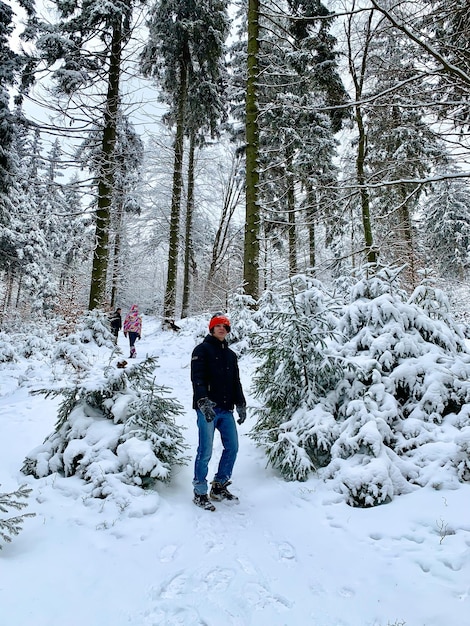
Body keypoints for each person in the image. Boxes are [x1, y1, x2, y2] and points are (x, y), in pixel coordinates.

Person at [190, 313, 247, 511]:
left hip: (226, 409)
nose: (222, 328)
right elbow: (197, 378)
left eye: (225, 326)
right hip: (207, 408)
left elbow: (235, 382)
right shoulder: (201, 350)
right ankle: (199, 492)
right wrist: (203, 401)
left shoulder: (230, 355)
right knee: (205, 451)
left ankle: (219, 485)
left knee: (232, 447)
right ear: (211, 328)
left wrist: (240, 403)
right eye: (218, 325)